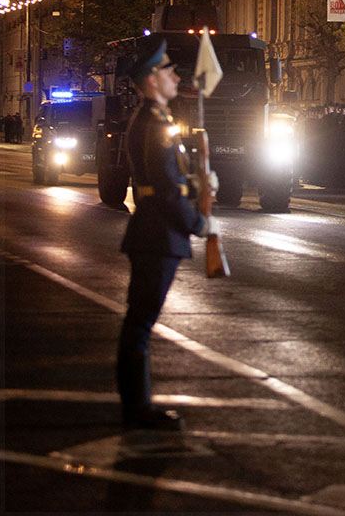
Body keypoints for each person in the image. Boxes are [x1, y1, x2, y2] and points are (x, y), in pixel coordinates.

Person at [116, 40, 217, 431]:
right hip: (157, 235)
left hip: (155, 234)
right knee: (140, 324)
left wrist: (201, 185)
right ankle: (137, 409)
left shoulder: (154, 120)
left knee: (139, 322)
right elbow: (165, 189)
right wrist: (199, 223)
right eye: (169, 71)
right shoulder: (154, 124)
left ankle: (137, 405)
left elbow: (172, 183)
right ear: (153, 80)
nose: (177, 77)